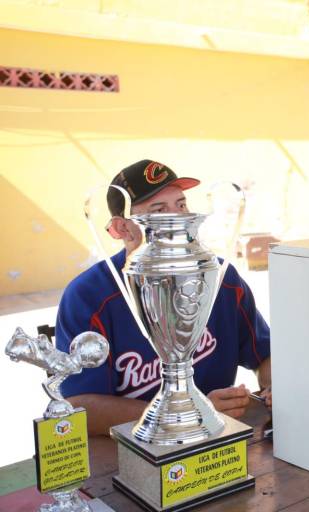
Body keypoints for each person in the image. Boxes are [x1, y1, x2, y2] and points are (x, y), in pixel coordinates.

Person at [56, 159, 272, 436]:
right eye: (159, 210)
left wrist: (274, 386)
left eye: (181, 205)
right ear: (121, 228)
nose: (178, 218)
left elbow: (265, 353)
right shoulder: (89, 295)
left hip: (216, 446)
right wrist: (192, 413)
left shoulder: (219, 277)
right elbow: (80, 407)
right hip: (129, 449)